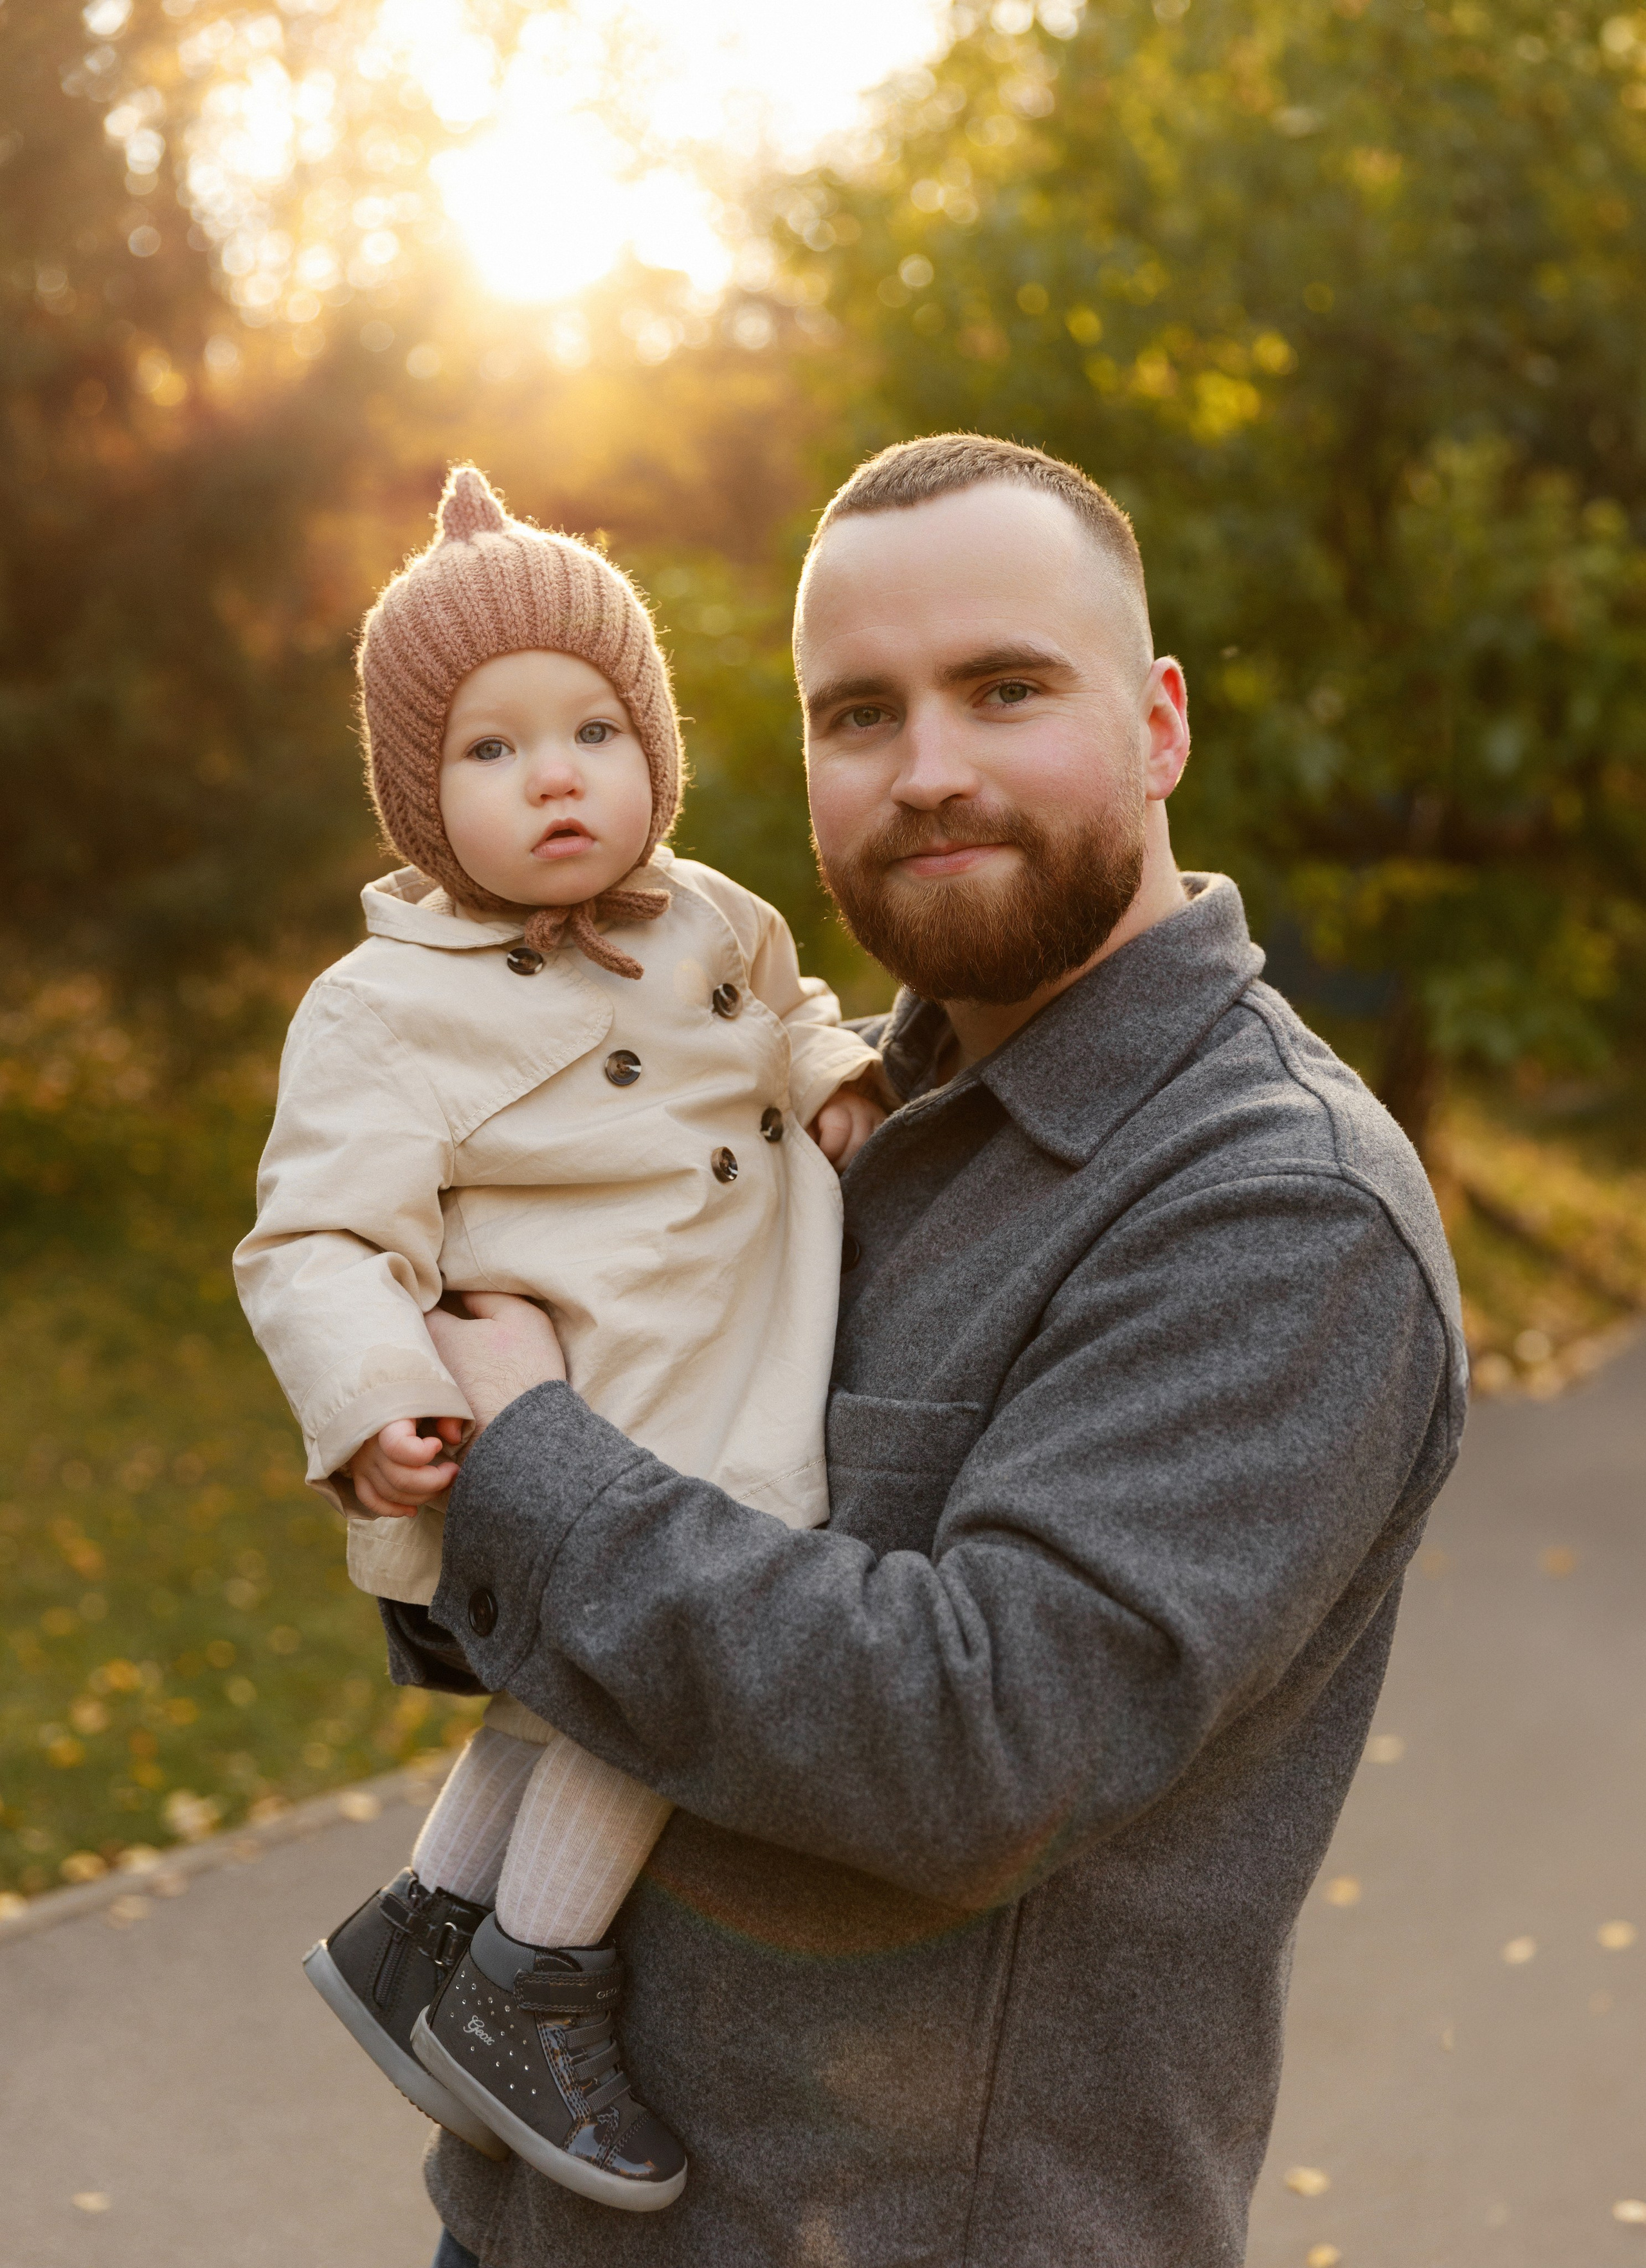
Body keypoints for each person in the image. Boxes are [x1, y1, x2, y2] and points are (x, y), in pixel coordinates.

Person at [383, 433, 1468, 2268]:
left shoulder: (1278, 1209)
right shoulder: (816, 1121)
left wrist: (535, 1463)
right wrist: (432, 1465)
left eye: (1007, 689)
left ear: (1160, 724)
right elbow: (590, 1577)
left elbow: (978, 1747)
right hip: (536, 2216)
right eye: (858, 715)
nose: (931, 770)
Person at [233, 465, 883, 2211]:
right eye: (491, 751)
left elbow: (798, 1017)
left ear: (654, 744)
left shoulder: (716, 922)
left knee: (568, 1688)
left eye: (594, 728)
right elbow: (316, 1237)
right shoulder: (382, 1009)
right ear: (415, 796)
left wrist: (833, 1086)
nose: (557, 779)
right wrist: (375, 1396)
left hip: (714, 1352)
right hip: (596, 1407)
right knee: (654, 1664)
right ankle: (531, 1983)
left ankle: (424, 1931)